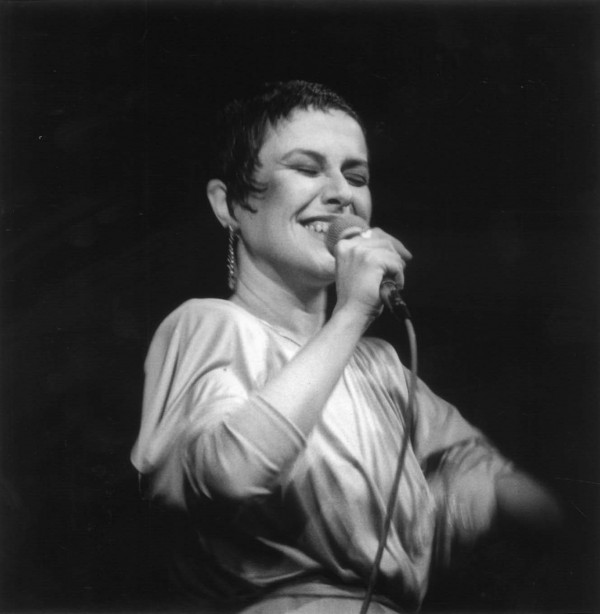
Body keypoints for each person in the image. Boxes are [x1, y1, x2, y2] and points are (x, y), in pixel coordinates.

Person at [131, 80, 560, 613]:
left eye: (356, 176)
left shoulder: (379, 366)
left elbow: (498, 487)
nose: (341, 194)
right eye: (307, 168)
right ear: (230, 203)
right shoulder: (211, 325)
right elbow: (229, 475)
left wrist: (496, 502)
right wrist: (353, 312)